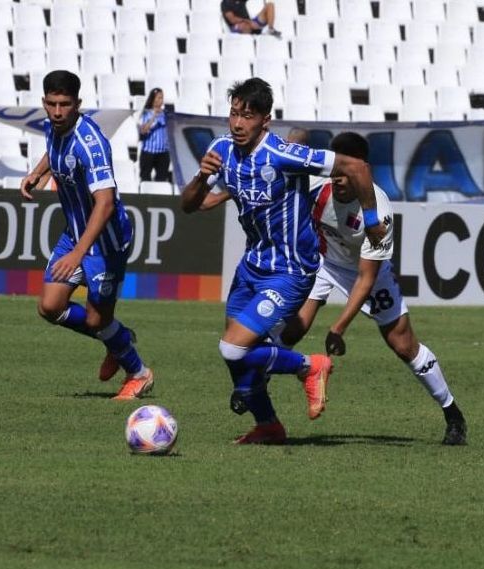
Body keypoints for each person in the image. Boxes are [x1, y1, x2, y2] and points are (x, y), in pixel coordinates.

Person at [180, 78, 387, 445]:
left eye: (248, 115)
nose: (239, 123)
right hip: (252, 265)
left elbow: (357, 168)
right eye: (234, 114)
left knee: (233, 347)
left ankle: (311, 366)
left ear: (265, 120)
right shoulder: (221, 151)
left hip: (291, 270)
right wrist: (202, 176)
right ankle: (269, 427)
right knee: (237, 354)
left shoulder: (283, 154)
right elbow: (191, 205)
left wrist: (371, 220)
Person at [278, 132, 468, 446]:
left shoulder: (378, 213)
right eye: (335, 168)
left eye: (346, 170)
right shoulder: (317, 186)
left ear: (362, 170)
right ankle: (254, 389)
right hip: (325, 264)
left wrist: (339, 328)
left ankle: (453, 414)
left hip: (368, 274)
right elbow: (290, 153)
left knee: (403, 345)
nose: (338, 177)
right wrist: (293, 141)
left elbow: (366, 279)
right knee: (290, 332)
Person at [20, 70, 154, 401]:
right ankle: (118, 338)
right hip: (76, 233)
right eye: (51, 104)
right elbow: (53, 152)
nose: (57, 111)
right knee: (50, 307)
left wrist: (79, 253)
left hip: (105, 242)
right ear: (44, 102)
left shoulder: (90, 144)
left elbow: (105, 203)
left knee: (96, 320)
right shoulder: (55, 126)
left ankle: (139, 373)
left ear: (77, 104)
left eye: (65, 104)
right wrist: (37, 174)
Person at [137, 87, 170, 183]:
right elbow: (143, 131)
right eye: (159, 98)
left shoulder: (166, 114)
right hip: (148, 152)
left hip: (163, 152)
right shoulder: (145, 113)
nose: (161, 100)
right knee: (145, 178)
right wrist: (154, 116)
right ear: (153, 99)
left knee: (161, 180)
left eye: (162, 98)